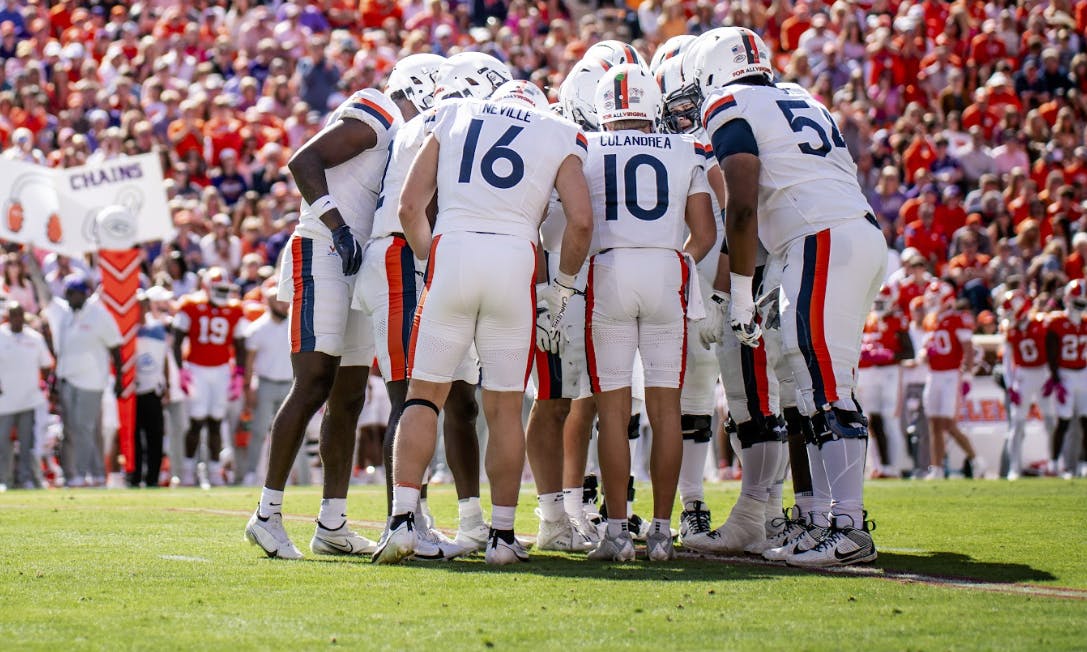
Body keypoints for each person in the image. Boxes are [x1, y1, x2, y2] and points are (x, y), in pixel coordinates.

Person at [373, 79, 593, 565]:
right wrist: (561, 288)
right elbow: (580, 222)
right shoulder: (558, 129)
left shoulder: (454, 113)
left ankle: (403, 521)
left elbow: (409, 206)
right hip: (515, 260)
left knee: (424, 395)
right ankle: (502, 536)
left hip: (454, 249)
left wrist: (433, 256)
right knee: (503, 409)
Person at [692, 27, 886, 567]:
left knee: (824, 385)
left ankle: (847, 527)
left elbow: (743, 201)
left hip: (818, 236)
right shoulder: (803, 97)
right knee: (811, 384)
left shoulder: (729, 102)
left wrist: (739, 293)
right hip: (850, 232)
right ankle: (821, 518)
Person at [245, 84, 403, 560]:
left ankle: (332, 523)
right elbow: (303, 162)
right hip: (324, 247)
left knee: (350, 392)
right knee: (313, 381)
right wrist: (337, 226)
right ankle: (267, 514)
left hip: (358, 259)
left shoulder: (410, 133)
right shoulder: (381, 111)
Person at [353, 53, 496, 556]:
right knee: (412, 396)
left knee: (459, 397)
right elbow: (421, 205)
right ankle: (406, 520)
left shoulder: (435, 122)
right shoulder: (439, 122)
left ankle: (472, 520)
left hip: (423, 256)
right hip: (406, 254)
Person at [579, 64, 715, 561]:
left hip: (609, 270)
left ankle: (616, 531)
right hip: (664, 270)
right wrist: (671, 260)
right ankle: (660, 531)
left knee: (613, 415)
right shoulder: (685, 150)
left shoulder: (586, 146)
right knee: (666, 413)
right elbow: (704, 234)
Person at [44, 275, 123, 487]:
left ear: (84, 294)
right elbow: (62, 352)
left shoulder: (99, 315)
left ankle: (81, 473)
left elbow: (115, 346)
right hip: (67, 379)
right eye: (67, 294)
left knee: (83, 427)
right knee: (71, 429)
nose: (70, 298)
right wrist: (54, 381)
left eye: (73, 294)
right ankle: (92, 473)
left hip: (92, 381)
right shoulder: (67, 316)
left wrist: (120, 378)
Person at [920, 280, 982, 479]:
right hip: (933, 374)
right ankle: (936, 468)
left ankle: (976, 460)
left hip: (951, 375)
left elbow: (968, 349)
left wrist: (968, 374)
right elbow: (931, 347)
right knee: (934, 423)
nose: (932, 301)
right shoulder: (931, 319)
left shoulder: (958, 318)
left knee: (948, 423)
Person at [858, 285, 914, 478]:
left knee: (891, 418)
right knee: (871, 420)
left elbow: (909, 352)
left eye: (883, 301)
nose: (879, 305)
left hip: (891, 372)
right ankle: (878, 466)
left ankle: (895, 466)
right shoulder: (869, 319)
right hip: (870, 373)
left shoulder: (897, 320)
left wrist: (890, 355)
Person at [240, 286, 293, 487]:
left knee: (292, 432)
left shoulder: (293, 325)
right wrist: (248, 387)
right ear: (268, 303)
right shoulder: (257, 328)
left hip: (289, 384)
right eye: (278, 300)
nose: (283, 304)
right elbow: (249, 363)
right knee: (259, 431)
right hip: (265, 384)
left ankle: (293, 475)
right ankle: (252, 472)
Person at [0, 302, 52, 490]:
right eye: (13, 315)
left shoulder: (35, 338)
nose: (17, 319)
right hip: (4, 402)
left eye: (19, 315)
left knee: (27, 443)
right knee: (3, 442)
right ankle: (4, 480)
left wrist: (39, 384)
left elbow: (46, 364)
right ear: (8, 316)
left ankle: (25, 479)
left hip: (29, 400)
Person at [1000, 289, 1050, 480]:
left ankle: (1054, 462)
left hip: (1042, 373)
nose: (1007, 315)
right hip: (1023, 375)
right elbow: (1007, 360)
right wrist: (1010, 385)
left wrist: (1051, 377)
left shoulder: (1041, 323)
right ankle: (1015, 467)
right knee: (1017, 424)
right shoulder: (1010, 329)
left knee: (1052, 421)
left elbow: (1051, 350)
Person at [1044, 279, 1087, 479]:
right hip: (1066, 374)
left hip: (1084, 373)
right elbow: (1050, 352)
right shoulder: (1057, 322)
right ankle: (1054, 463)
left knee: (1085, 422)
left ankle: (1083, 463)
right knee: (1064, 421)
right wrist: (1055, 378)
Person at [132, 292, 170, 488]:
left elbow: (163, 359)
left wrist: (167, 385)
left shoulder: (156, 329)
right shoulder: (127, 330)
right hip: (132, 391)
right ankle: (135, 476)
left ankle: (152, 478)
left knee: (154, 437)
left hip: (152, 389)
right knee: (134, 438)